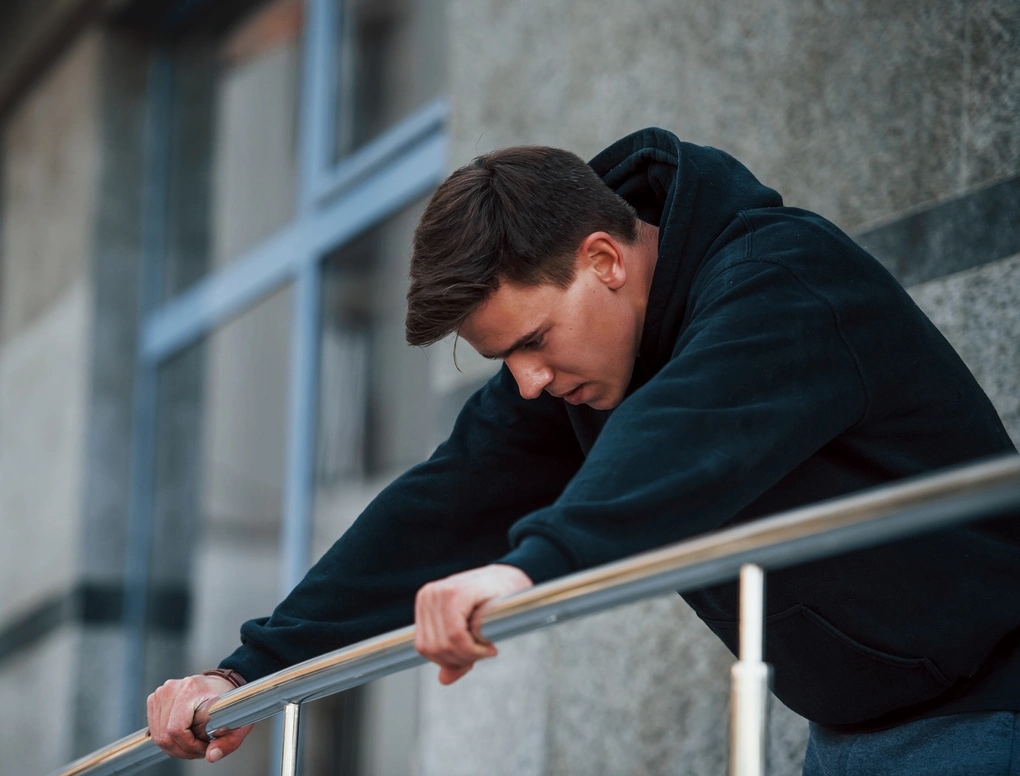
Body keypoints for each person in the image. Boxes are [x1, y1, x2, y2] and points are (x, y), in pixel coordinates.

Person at [147, 127, 1020, 772]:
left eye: (533, 341)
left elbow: (685, 435)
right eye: (504, 361)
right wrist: (248, 671)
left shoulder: (785, 282)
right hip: (848, 736)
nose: (527, 381)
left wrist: (532, 568)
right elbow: (444, 500)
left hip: (989, 709)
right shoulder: (590, 361)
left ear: (604, 258)